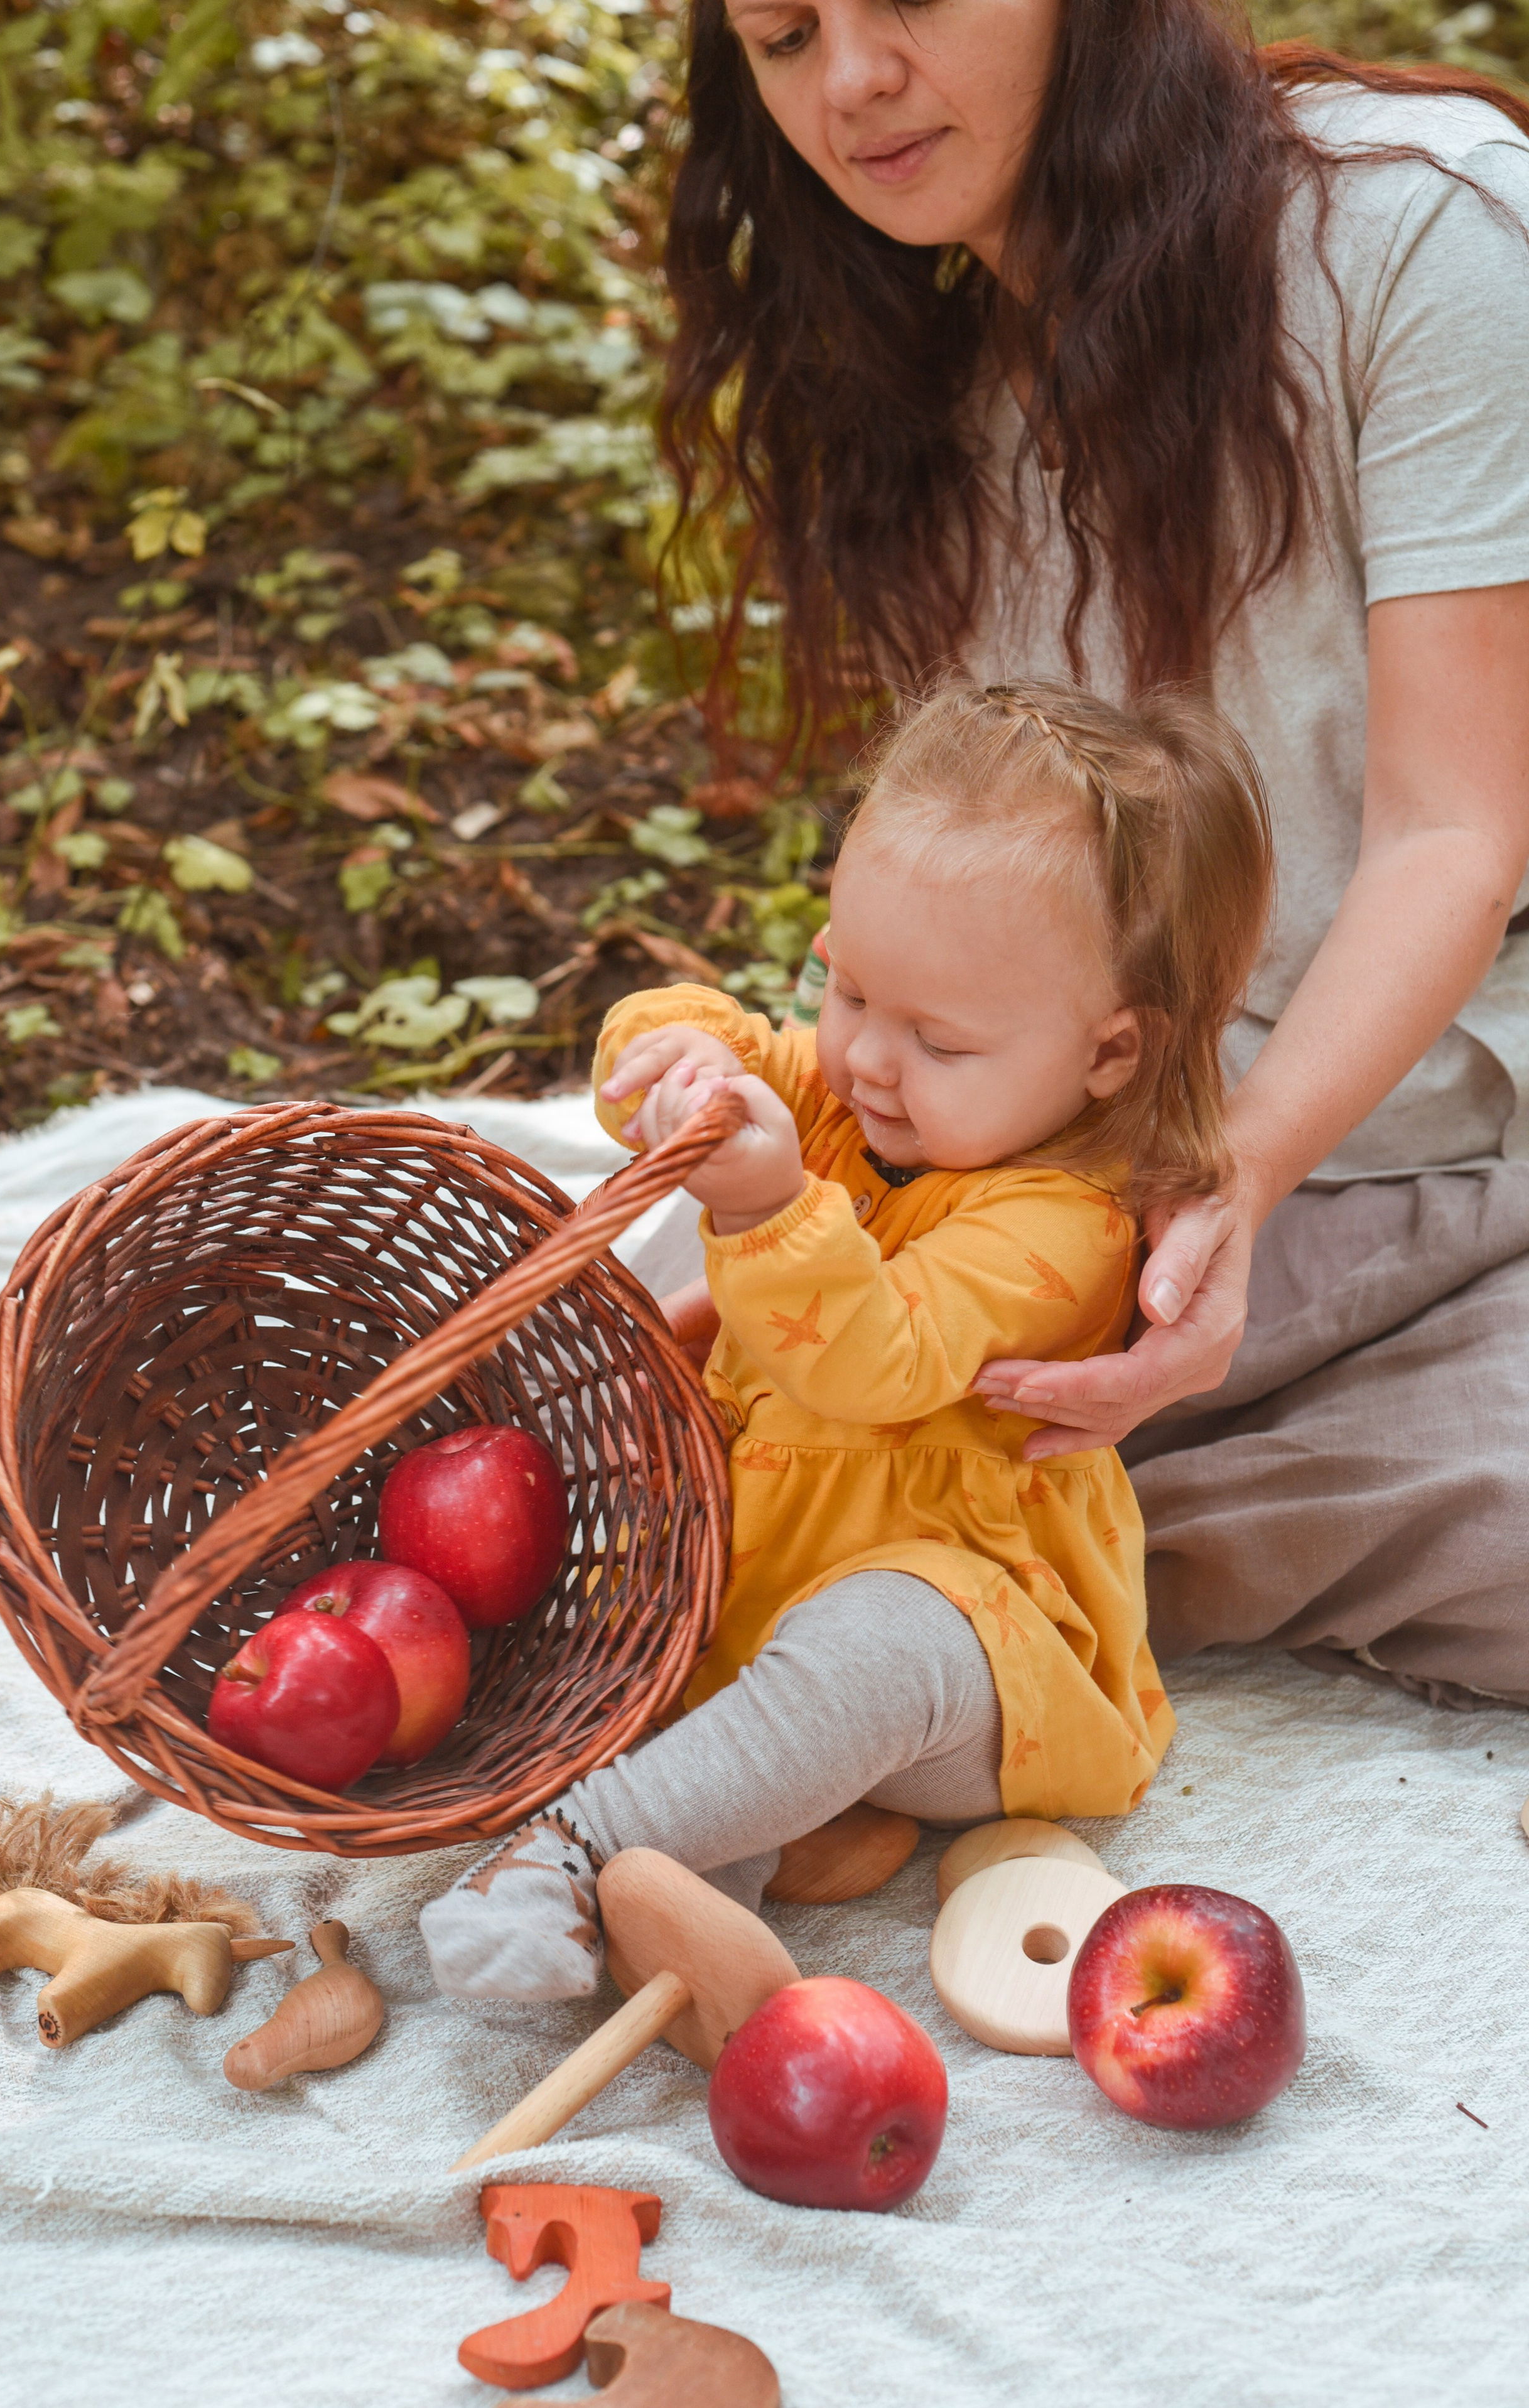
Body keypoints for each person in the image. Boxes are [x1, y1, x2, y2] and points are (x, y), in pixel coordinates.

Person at [656, 1, 1529, 1707]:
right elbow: (984, 913)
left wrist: (1233, 1173)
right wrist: (829, 1186)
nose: (849, 85)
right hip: (1077, 1142)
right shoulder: (927, 390)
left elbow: (1456, 833)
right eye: (780, 36)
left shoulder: (1425, 230)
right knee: (672, 1363)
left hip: (1397, 1107)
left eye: (904, 0)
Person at [419, 677, 1272, 1999]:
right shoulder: (859, 1089)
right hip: (749, 1587)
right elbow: (717, 1028)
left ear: (1108, 1054)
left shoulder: (1066, 1226)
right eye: (847, 984)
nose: (867, 1058)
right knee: (614, 1499)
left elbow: (874, 1357)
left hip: (972, 1647)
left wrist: (763, 1205)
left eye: (935, 1036)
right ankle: (735, 1848)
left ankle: (577, 1845)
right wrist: (681, 1057)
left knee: (876, 1648)